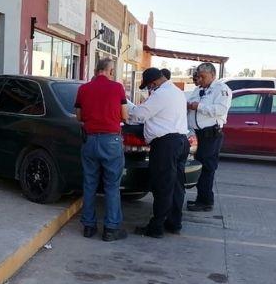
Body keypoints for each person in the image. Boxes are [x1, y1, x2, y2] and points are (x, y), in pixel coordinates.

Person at [129, 68, 190, 238]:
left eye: (149, 87)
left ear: (154, 83)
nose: (149, 90)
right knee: (177, 186)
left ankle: (156, 228)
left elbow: (140, 115)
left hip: (166, 145)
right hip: (180, 142)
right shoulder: (177, 92)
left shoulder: (161, 94)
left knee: (162, 186)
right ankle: (174, 223)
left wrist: (126, 111)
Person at [75, 58, 130, 242]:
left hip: (90, 140)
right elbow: (124, 115)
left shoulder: (83, 89)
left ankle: (89, 227)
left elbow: (79, 116)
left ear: (96, 70)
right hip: (111, 141)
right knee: (112, 185)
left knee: (89, 184)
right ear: (110, 70)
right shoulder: (117, 88)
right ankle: (110, 229)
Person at [186, 63, 232, 212]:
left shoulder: (221, 89)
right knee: (199, 167)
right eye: (198, 76)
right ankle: (201, 198)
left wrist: (198, 106)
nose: (200, 79)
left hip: (210, 135)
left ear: (213, 75)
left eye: (203, 76)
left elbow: (220, 110)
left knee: (207, 168)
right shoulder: (198, 89)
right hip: (198, 135)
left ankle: (206, 201)